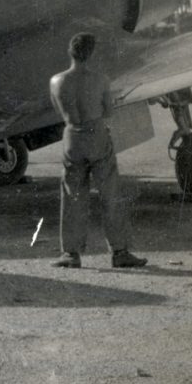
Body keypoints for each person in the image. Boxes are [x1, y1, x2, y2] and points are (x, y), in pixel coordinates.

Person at [49, 32, 147, 269]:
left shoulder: (56, 81)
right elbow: (108, 112)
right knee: (110, 194)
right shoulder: (101, 80)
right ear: (91, 54)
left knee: (72, 196)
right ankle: (119, 252)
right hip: (97, 136)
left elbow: (57, 110)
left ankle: (70, 253)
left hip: (72, 138)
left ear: (70, 52)